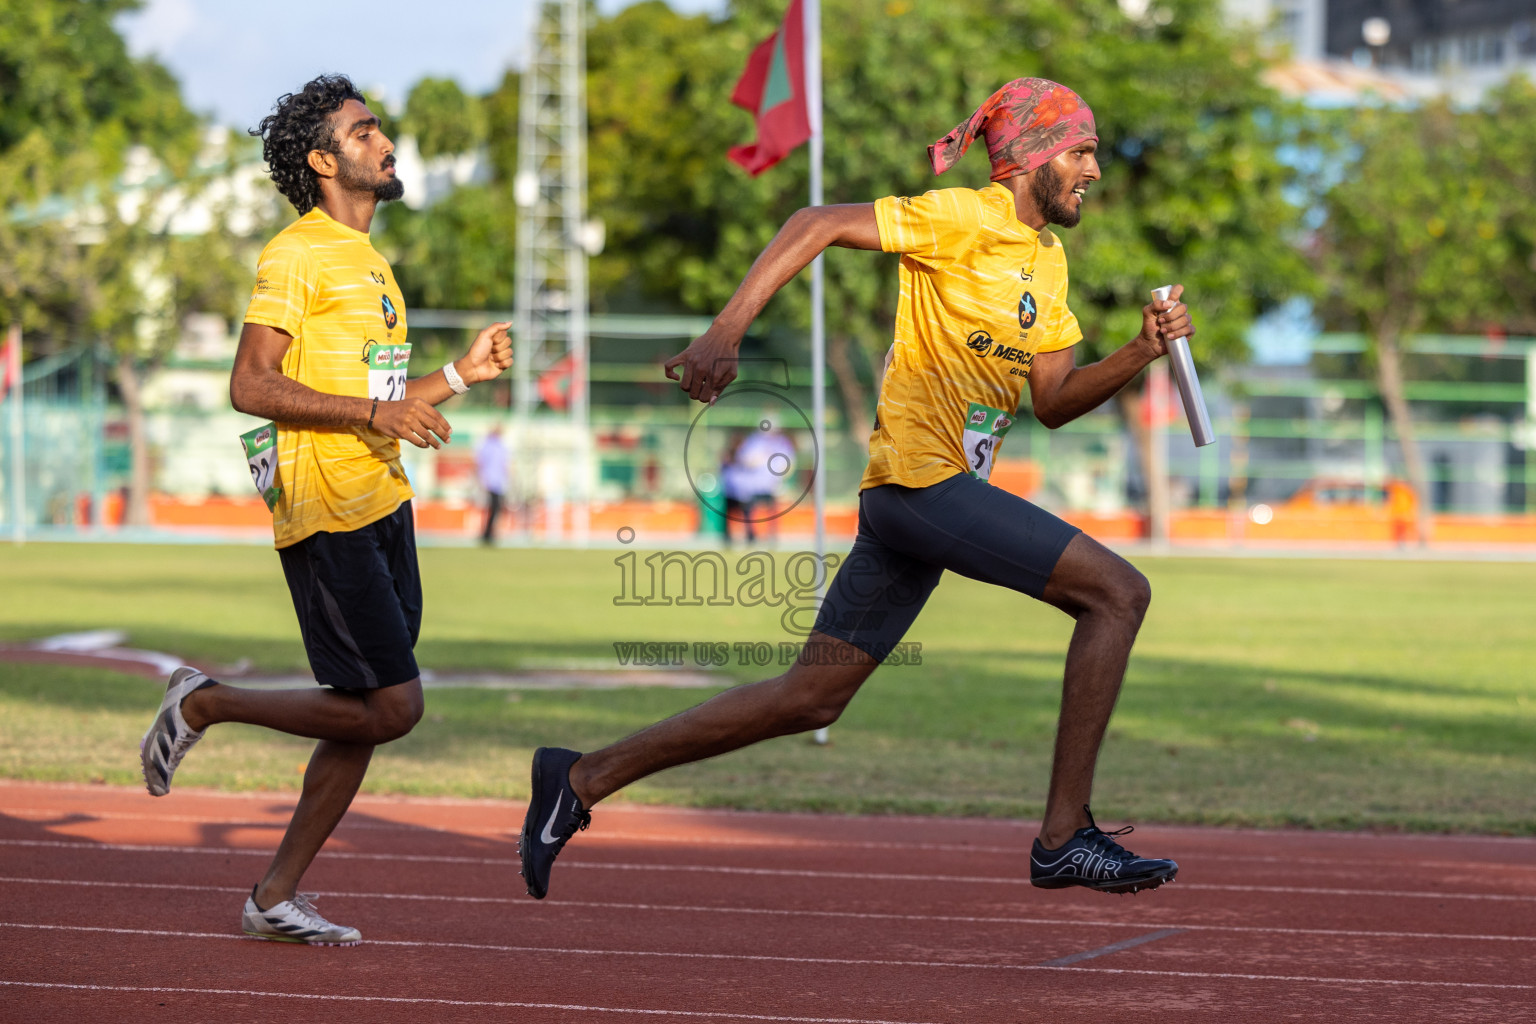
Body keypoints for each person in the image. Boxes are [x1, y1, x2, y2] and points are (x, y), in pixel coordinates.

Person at [519, 77, 1188, 901]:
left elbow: (1052, 402)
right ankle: (1063, 837)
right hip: (919, 482)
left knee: (810, 698)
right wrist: (726, 330)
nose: (1094, 170)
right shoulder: (964, 215)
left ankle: (580, 777)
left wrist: (1138, 350)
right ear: (1035, 155)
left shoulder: (1046, 262)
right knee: (1118, 594)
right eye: (1083, 151)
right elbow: (817, 223)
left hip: (923, 502)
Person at [138, 74, 512, 945]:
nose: (386, 141)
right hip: (327, 504)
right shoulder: (297, 253)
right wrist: (378, 414)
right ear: (323, 159)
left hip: (384, 498)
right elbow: (251, 384)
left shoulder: (373, 261)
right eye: (364, 130)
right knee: (394, 707)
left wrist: (457, 378)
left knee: (364, 711)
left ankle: (274, 896)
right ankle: (205, 704)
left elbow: (379, 395)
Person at [720, 419, 796, 543]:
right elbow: (746, 460)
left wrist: (781, 479)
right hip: (751, 486)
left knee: (769, 509)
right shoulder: (754, 441)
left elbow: (787, 464)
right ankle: (750, 534)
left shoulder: (782, 443)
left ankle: (769, 536)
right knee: (747, 508)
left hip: (770, 485)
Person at [477, 423, 509, 545]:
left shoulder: (500, 445)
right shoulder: (488, 445)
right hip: (490, 481)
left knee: (496, 509)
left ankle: (489, 532)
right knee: (492, 508)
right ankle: (487, 533)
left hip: (498, 482)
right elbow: (481, 463)